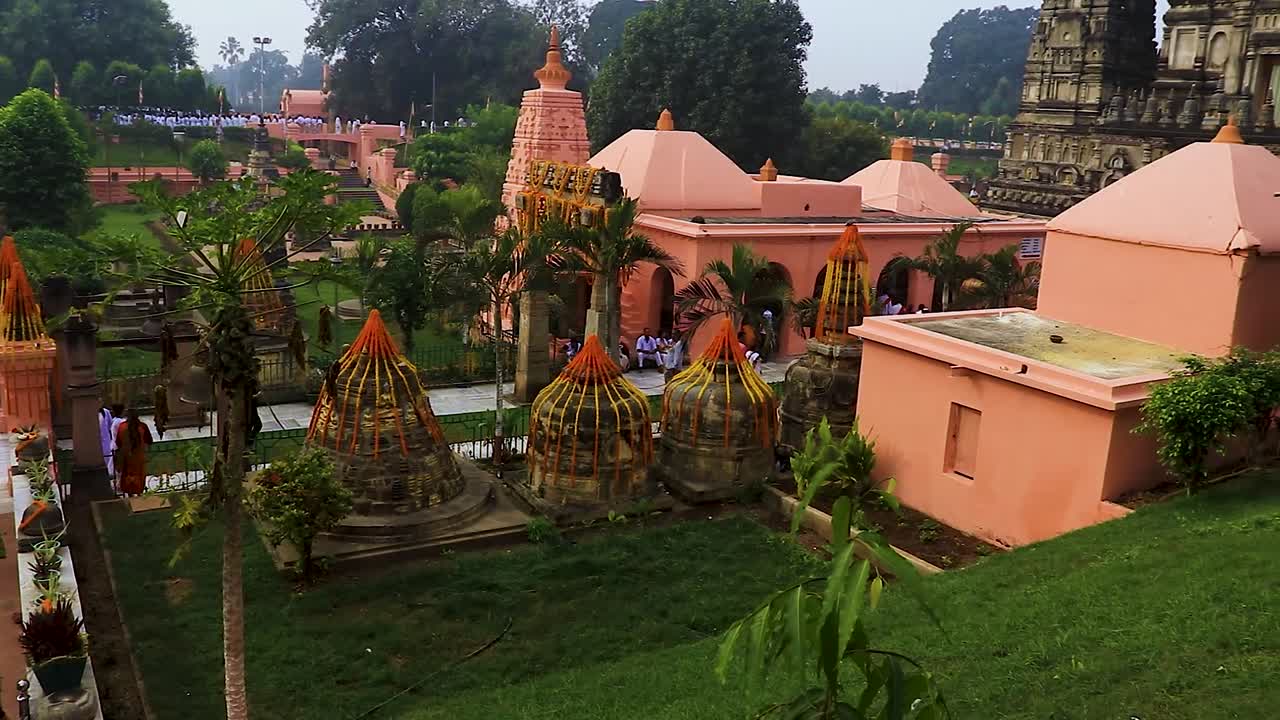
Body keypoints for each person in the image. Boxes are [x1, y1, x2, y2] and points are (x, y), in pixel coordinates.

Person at [115, 408, 153, 496]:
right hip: (139, 457)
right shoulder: (142, 426)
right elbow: (149, 440)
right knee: (139, 475)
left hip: (126, 457)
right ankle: (139, 494)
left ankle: (129, 494)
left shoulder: (122, 426)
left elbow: (118, 443)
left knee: (127, 475)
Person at [98, 404, 120, 477]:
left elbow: (110, 425)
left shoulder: (106, 412)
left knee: (108, 458)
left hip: (106, 441)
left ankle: (108, 474)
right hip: (97, 441)